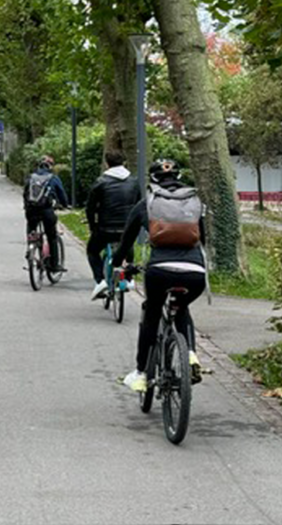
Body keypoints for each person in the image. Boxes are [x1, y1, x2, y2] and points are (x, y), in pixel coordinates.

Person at [119, 159, 206, 392]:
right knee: (182, 307)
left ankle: (140, 374)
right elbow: (203, 239)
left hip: (160, 271)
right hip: (195, 272)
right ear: (178, 177)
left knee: (152, 311)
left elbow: (127, 239)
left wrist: (119, 263)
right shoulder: (194, 202)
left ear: (153, 179)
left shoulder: (146, 204)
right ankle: (190, 354)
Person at [83, 149, 140, 300]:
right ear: (124, 162)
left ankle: (100, 281)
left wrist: (93, 226)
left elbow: (90, 207)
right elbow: (139, 205)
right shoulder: (134, 182)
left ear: (107, 163)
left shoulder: (101, 182)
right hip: (127, 228)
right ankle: (128, 278)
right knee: (127, 245)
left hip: (105, 228)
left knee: (92, 251)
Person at [23, 155, 67, 273]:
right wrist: (65, 204)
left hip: (31, 210)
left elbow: (25, 193)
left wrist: (26, 207)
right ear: (50, 166)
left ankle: (30, 249)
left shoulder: (31, 177)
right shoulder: (53, 178)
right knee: (51, 236)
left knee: (31, 229)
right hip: (46, 210)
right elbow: (62, 194)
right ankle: (54, 265)